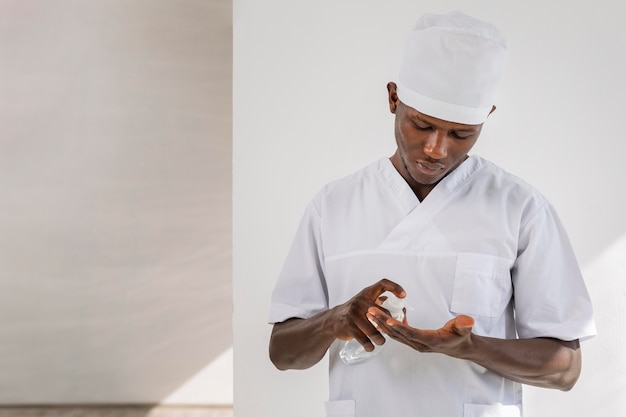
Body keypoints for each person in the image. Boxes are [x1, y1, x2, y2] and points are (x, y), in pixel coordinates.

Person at [268, 11, 596, 417]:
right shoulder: (333, 205)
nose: (436, 149)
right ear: (393, 99)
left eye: (461, 134)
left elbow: (565, 369)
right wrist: (331, 321)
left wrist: (472, 348)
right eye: (421, 125)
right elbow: (282, 353)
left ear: (486, 117)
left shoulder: (521, 209)